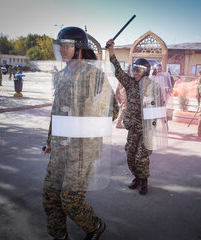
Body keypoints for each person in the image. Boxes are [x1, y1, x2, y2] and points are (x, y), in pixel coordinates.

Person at [43, 26, 112, 240]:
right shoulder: (62, 76)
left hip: (82, 149)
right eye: (60, 45)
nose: (62, 50)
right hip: (61, 147)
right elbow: (56, 113)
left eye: (67, 45)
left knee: (71, 200)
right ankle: (59, 236)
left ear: (79, 48)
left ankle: (95, 226)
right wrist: (49, 141)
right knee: (50, 196)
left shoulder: (96, 76)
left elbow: (113, 110)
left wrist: (86, 111)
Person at [107, 38, 156, 195]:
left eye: (139, 70)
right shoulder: (129, 83)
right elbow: (118, 71)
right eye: (134, 69)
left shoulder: (152, 86)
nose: (135, 73)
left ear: (146, 71)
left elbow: (159, 107)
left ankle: (144, 181)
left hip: (147, 130)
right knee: (130, 156)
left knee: (141, 157)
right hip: (133, 128)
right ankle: (137, 177)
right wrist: (111, 52)